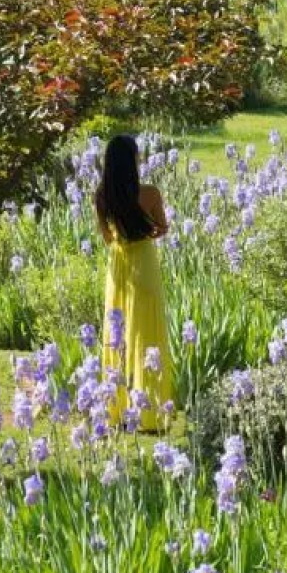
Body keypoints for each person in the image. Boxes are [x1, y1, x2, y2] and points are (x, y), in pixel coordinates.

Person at [94, 134, 173, 432]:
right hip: (144, 263)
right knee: (147, 332)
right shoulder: (151, 193)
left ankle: (116, 408)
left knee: (117, 333)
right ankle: (150, 414)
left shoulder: (102, 196)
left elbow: (106, 237)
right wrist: (143, 234)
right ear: (134, 161)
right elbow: (162, 229)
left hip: (119, 267)